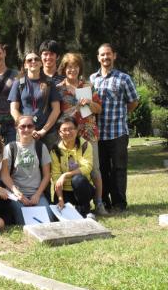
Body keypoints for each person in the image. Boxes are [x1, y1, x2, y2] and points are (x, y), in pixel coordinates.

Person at [57, 53, 108, 215]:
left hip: (88, 132)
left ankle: (99, 203)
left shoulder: (87, 86)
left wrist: (90, 103)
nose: (72, 69)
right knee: (73, 169)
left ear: (80, 68)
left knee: (94, 170)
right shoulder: (59, 89)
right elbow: (58, 114)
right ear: (64, 69)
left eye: (75, 66)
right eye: (69, 67)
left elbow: (99, 109)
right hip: (69, 135)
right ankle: (79, 203)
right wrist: (76, 108)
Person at [90, 43, 139, 212]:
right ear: (98, 58)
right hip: (98, 133)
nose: (105, 57)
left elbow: (133, 101)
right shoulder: (92, 79)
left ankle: (119, 204)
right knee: (101, 170)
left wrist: (122, 114)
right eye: (102, 55)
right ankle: (104, 202)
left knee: (118, 169)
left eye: (108, 54)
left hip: (118, 132)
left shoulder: (123, 78)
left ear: (114, 56)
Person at [5, 116, 53, 224]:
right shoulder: (10, 148)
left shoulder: (41, 147)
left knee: (47, 220)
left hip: (37, 194)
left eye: (30, 126)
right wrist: (18, 194)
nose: (26, 129)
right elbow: (5, 175)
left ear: (34, 127)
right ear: (17, 128)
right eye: (22, 126)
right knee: (25, 222)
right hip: (17, 195)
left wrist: (37, 194)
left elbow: (47, 175)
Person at [9, 51, 61, 151]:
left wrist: (43, 131)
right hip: (25, 132)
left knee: (49, 164)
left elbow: (56, 109)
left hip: (48, 133)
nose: (33, 61)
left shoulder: (49, 83)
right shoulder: (18, 83)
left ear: (41, 63)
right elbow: (13, 109)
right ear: (25, 65)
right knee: (26, 163)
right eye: (29, 60)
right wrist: (25, 127)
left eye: (36, 59)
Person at [51, 116, 95, 217]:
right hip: (65, 190)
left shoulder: (85, 145)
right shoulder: (55, 149)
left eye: (71, 129)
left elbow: (87, 167)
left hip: (83, 188)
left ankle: (85, 209)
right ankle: (77, 208)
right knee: (56, 216)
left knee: (78, 179)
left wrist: (66, 175)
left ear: (77, 130)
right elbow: (56, 176)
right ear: (59, 132)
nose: (68, 132)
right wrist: (60, 199)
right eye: (64, 130)